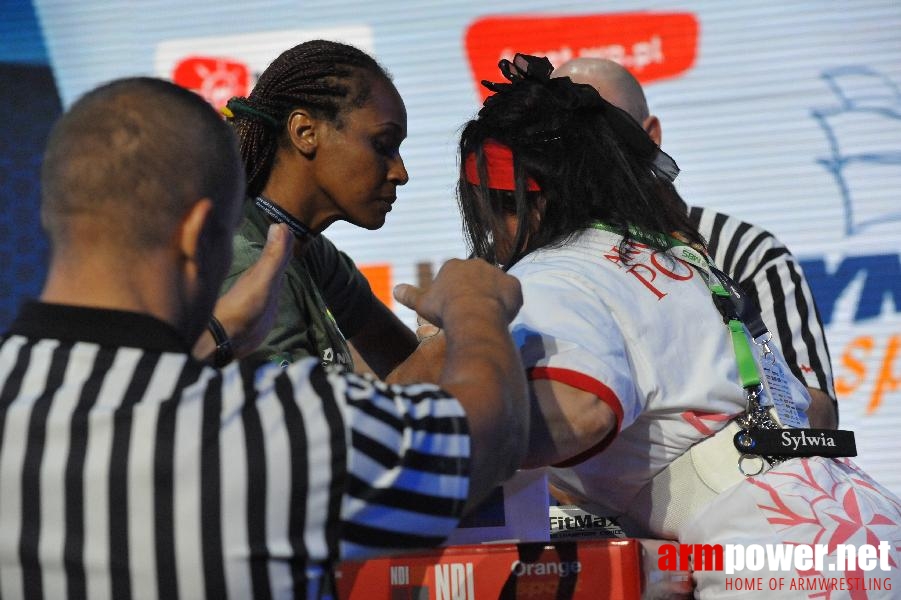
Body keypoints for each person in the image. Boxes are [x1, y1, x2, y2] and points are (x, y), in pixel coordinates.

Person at [0, 76, 529, 599]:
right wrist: (475, 306)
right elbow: (482, 443)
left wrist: (217, 335)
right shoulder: (284, 425)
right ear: (199, 233)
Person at [456, 54, 900, 597]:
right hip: (860, 530)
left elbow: (582, 411)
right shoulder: (676, 254)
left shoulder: (554, 271)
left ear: (503, 201)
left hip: (773, 562)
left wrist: (460, 378)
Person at [552, 57, 838, 430]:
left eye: (604, 129)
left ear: (650, 136)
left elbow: (817, 414)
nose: (585, 152)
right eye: (559, 136)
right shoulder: (524, 261)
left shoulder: (745, 251)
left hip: (731, 482)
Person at [220, 39, 417, 377]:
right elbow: (306, 425)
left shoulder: (309, 252)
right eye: (383, 145)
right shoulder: (248, 264)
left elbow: (410, 368)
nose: (400, 173)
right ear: (305, 132)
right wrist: (472, 316)